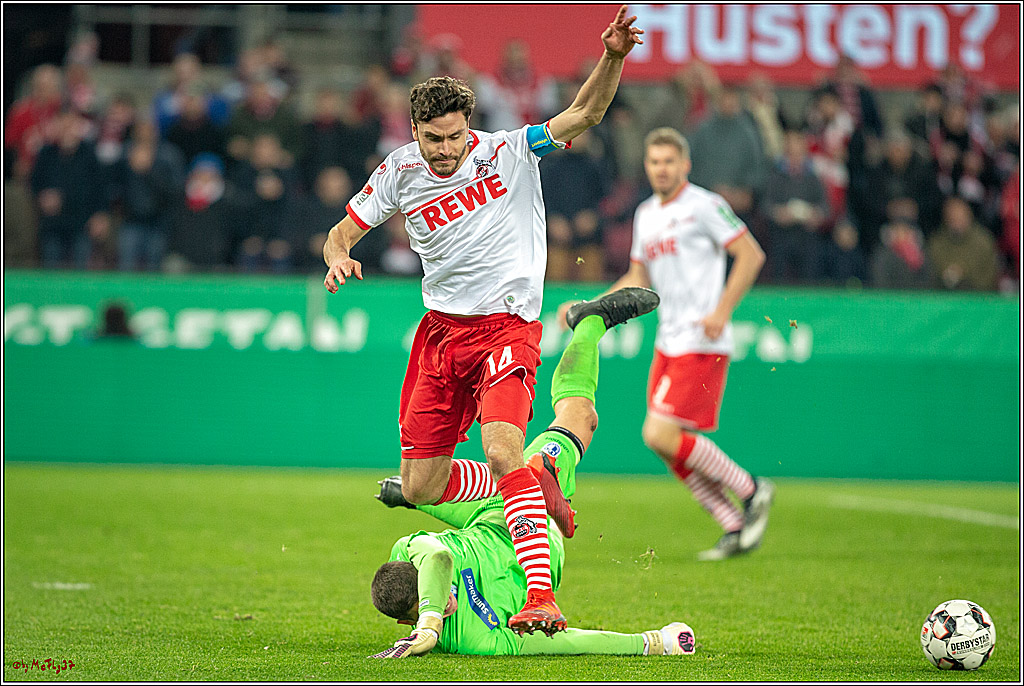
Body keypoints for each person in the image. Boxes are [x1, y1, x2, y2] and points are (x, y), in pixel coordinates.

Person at [322, 5, 645, 635]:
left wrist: (612, 57)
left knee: (501, 448)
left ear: (470, 125)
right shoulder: (397, 172)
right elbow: (340, 233)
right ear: (412, 129)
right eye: (430, 138)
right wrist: (337, 257)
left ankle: (540, 596)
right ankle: (538, 475)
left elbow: (585, 114)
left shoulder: (509, 151)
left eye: (452, 137)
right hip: (440, 334)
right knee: (419, 487)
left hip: (506, 328)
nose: (443, 151)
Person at [369, 292, 696, 657]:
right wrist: (648, 643)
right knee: (579, 418)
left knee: (498, 474)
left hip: (503, 508)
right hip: (524, 514)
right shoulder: (473, 640)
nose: (445, 599)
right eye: (433, 605)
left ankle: (518, 480)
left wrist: (430, 618)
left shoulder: (409, 556)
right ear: (404, 622)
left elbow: (438, 558)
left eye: (435, 591)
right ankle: (589, 324)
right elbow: (561, 641)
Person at [559, 127, 773, 562]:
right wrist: (593, 306)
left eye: (668, 161)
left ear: (685, 165)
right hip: (668, 340)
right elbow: (638, 278)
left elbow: (751, 254)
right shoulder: (646, 215)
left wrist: (722, 310)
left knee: (660, 432)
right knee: (659, 439)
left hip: (702, 337)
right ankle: (733, 525)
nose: (661, 169)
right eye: (654, 162)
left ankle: (751, 489)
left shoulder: (706, 206)